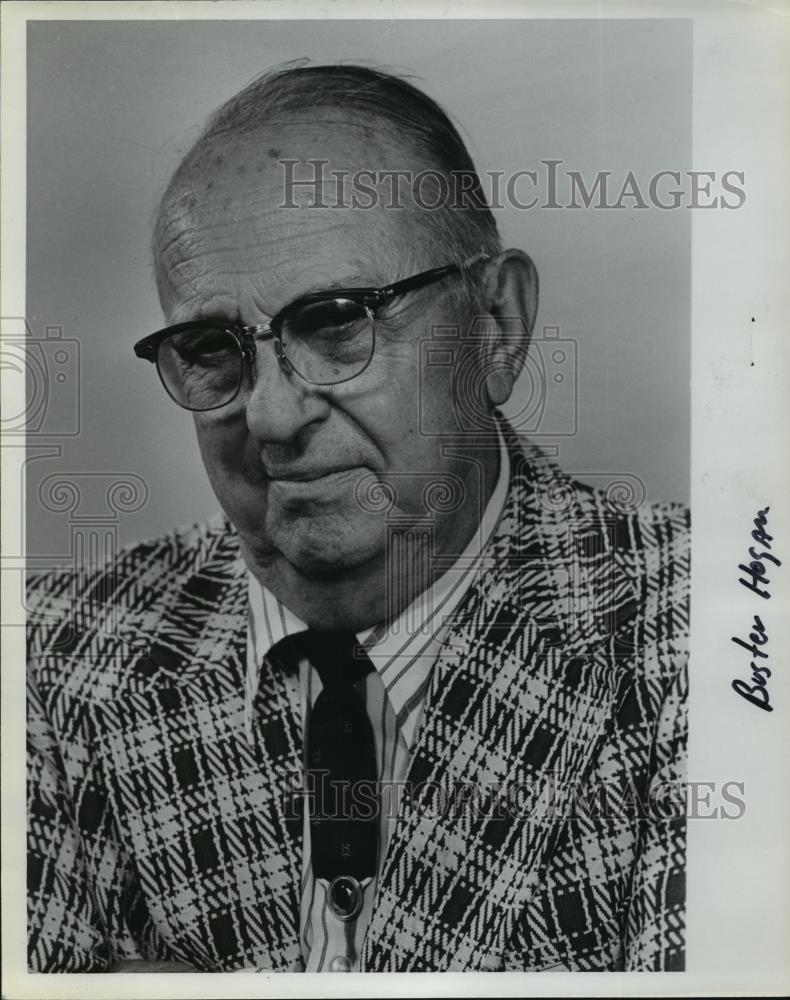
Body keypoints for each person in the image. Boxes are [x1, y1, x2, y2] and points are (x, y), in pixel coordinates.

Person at [26, 63, 689, 973]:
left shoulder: (707, 630)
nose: (268, 416)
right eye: (210, 349)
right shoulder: (44, 661)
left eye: (336, 322)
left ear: (496, 324)